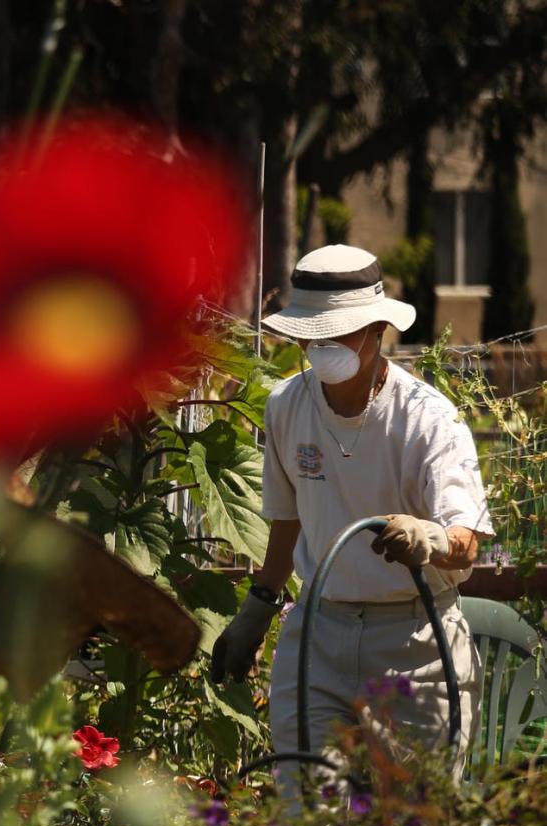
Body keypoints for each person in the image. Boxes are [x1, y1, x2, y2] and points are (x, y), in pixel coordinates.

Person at [210, 244, 493, 793]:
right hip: (319, 631)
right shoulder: (286, 406)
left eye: (338, 331)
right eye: (313, 332)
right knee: (309, 821)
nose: (324, 345)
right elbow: (287, 519)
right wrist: (257, 607)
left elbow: (468, 542)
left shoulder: (428, 421)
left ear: (378, 330)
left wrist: (431, 539)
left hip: (415, 642)